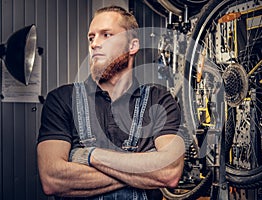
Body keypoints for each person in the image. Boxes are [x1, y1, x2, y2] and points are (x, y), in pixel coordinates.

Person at [37, 5, 185, 200]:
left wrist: (89, 156)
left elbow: (168, 172)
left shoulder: (159, 101)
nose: (94, 44)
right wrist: (144, 170)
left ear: (132, 46)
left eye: (106, 35)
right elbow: (52, 179)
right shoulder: (62, 100)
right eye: (91, 37)